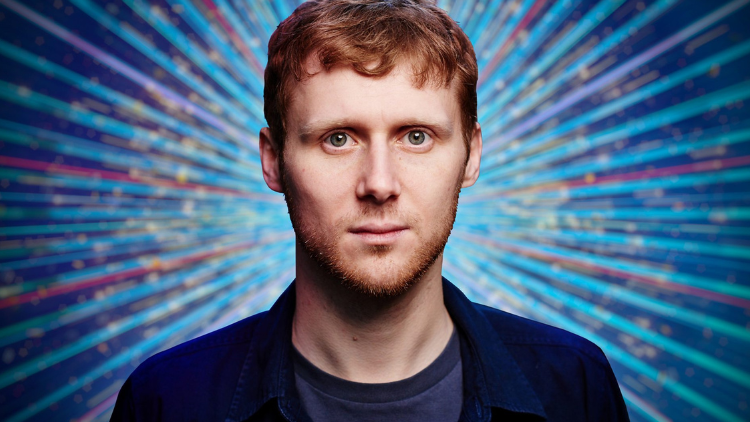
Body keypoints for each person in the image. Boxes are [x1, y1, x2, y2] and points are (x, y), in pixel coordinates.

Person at [111, 1, 630, 421]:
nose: (379, 184)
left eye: (417, 137)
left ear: (470, 157)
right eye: (338, 139)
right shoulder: (166, 401)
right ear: (273, 161)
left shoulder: (574, 387)